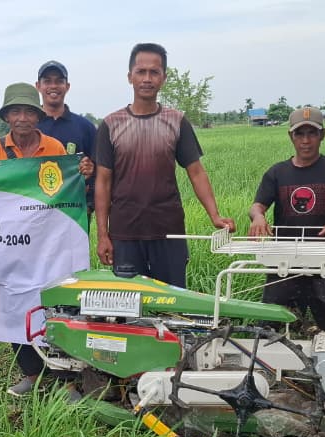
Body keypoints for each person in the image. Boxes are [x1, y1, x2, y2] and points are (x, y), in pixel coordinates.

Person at [94, 43, 235, 288]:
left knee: (173, 301)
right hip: (125, 232)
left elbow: (196, 172)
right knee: (131, 303)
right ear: (130, 77)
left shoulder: (177, 122)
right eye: (141, 71)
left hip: (169, 230)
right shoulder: (110, 125)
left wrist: (215, 215)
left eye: (154, 72)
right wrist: (102, 235)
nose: (147, 79)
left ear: (163, 78)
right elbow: (103, 182)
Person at [0, 83, 72, 397]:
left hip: (48, 242)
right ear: (6, 116)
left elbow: (65, 190)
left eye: (29, 112)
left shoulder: (54, 147)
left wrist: (81, 171)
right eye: (15, 112)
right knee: (14, 304)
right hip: (9, 243)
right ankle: (31, 374)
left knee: (56, 304)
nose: (22, 118)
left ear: (38, 116)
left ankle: (65, 376)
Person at [248, 107, 325, 333]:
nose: (305, 140)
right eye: (299, 134)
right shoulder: (277, 173)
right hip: (285, 260)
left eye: (312, 133)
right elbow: (257, 206)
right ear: (290, 136)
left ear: (322, 135)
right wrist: (258, 217)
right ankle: (268, 353)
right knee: (270, 324)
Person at [35, 60, 96, 219]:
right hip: (35, 213)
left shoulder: (85, 127)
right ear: (38, 86)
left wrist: (89, 205)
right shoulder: (30, 126)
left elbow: (98, 170)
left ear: (67, 86)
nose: (53, 86)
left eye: (59, 81)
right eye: (47, 81)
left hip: (74, 214)